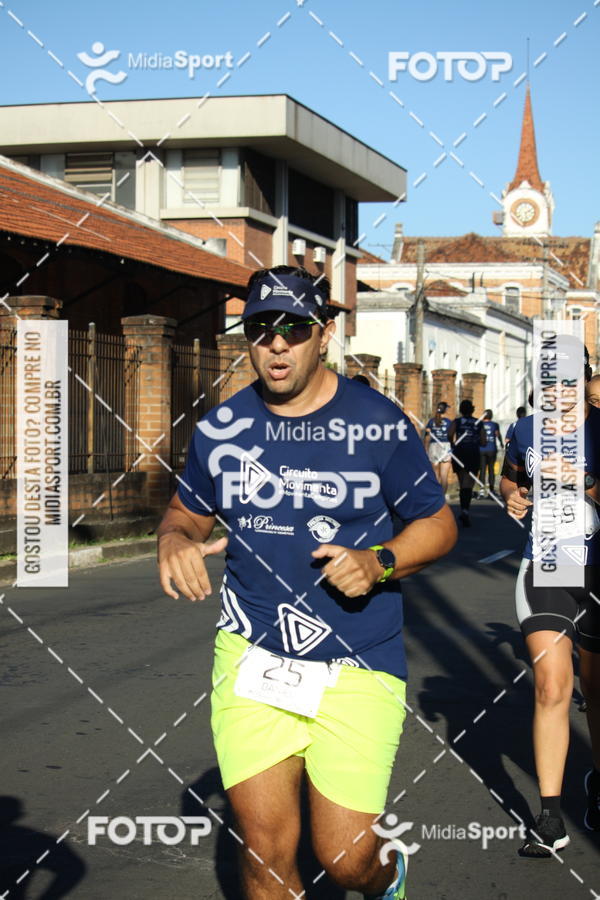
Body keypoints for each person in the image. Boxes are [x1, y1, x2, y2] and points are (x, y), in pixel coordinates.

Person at [156, 265, 457, 900]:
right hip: (253, 653)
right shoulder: (221, 429)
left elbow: (437, 524)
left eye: (293, 328)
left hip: (359, 660)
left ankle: (388, 875)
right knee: (266, 860)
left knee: (346, 861)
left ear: (322, 335)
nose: (277, 344)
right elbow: (186, 512)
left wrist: (378, 560)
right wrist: (173, 539)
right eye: (262, 329)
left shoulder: (376, 422)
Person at [500, 339, 600, 857]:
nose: (558, 391)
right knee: (551, 684)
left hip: (596, 562)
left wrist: (582, 482)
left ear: (585, 377)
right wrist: (513, 495)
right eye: (548, 380)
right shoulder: (524, 429)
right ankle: (549, 816)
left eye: (567, 379)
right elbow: (509, 478)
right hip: (546, 563)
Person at [448, 399, 486, 528]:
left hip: (459, 452)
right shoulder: (478, 423)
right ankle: (465, 510)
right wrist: (476, 441)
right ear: (472, 410)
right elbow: (484, 440)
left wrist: (453, 443)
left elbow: (450, 434)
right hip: (472, 453)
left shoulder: (457, 421)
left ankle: (463, 510)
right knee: (469, 484)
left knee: (462, 481)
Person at [423, 402, 452, 495]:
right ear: (445, 410)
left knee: (435, 475)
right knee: (444, 476)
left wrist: (426, 449)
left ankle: (435, 495)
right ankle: (442, 498)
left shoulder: (431, 421)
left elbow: (427, 436)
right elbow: (452, 436)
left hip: (434, 447)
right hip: (445, 446)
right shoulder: (449, 422)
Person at [477, 409, 504, 497]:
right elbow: (497, 434)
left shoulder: (479, 424)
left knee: (482, 469)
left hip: (481, 450)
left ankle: (481, 490)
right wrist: (501, 443)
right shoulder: (494, 425)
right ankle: (491, 490)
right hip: (492, 449)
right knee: (491, 469)